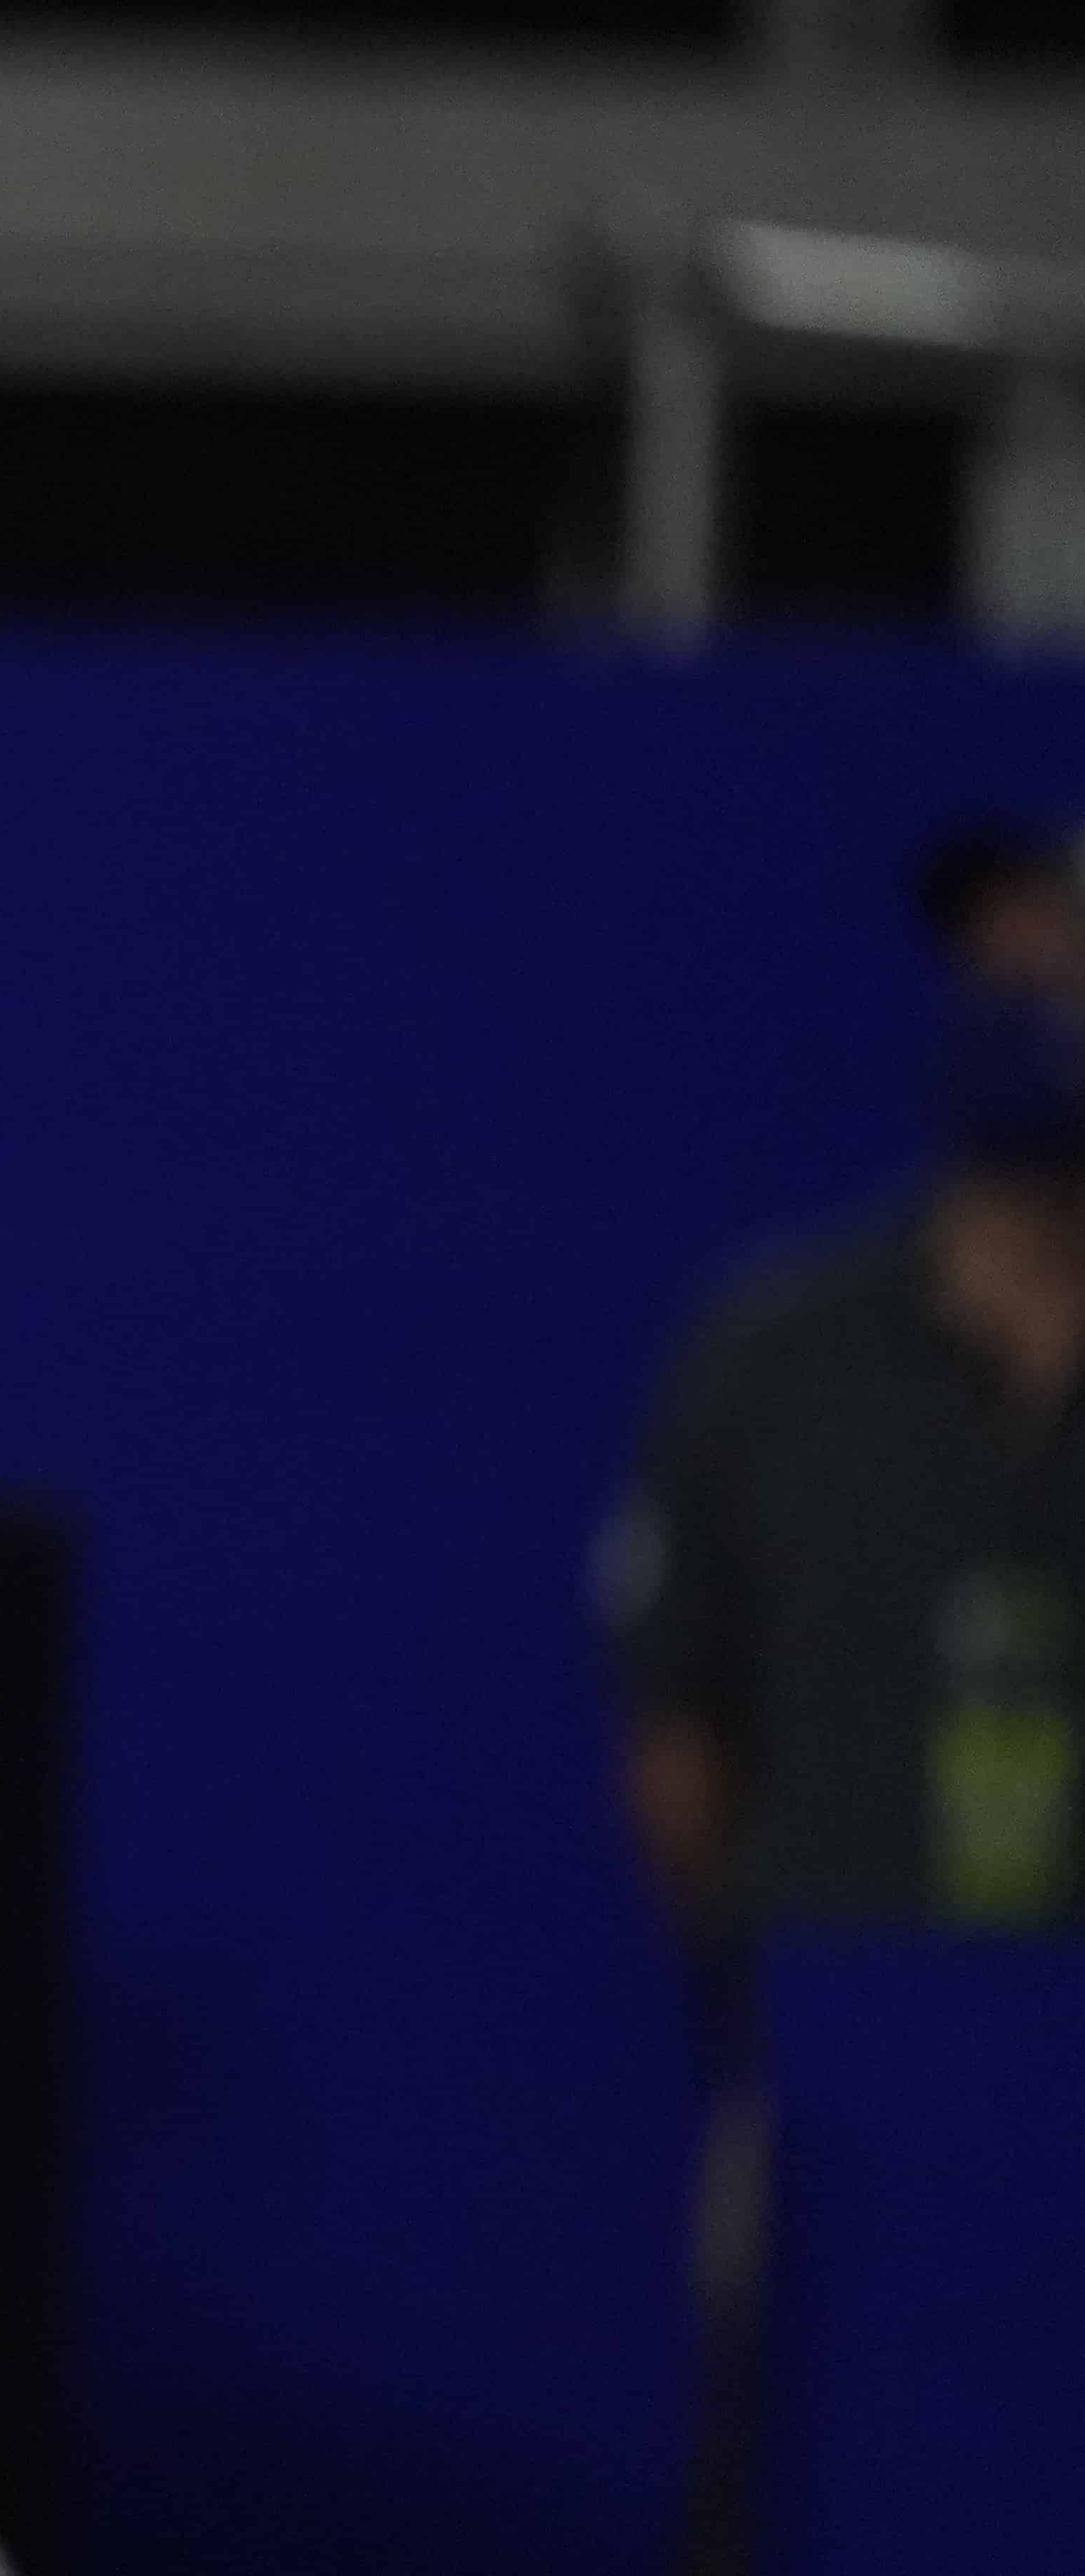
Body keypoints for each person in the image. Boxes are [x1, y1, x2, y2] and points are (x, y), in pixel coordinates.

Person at [602, 816, 1085, 2576]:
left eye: (1074, 956)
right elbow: (677, 1740)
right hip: (840, 2069)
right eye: (1009, 964)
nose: (1044, 1001)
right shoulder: (773, 1355)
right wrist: (765, 2014)